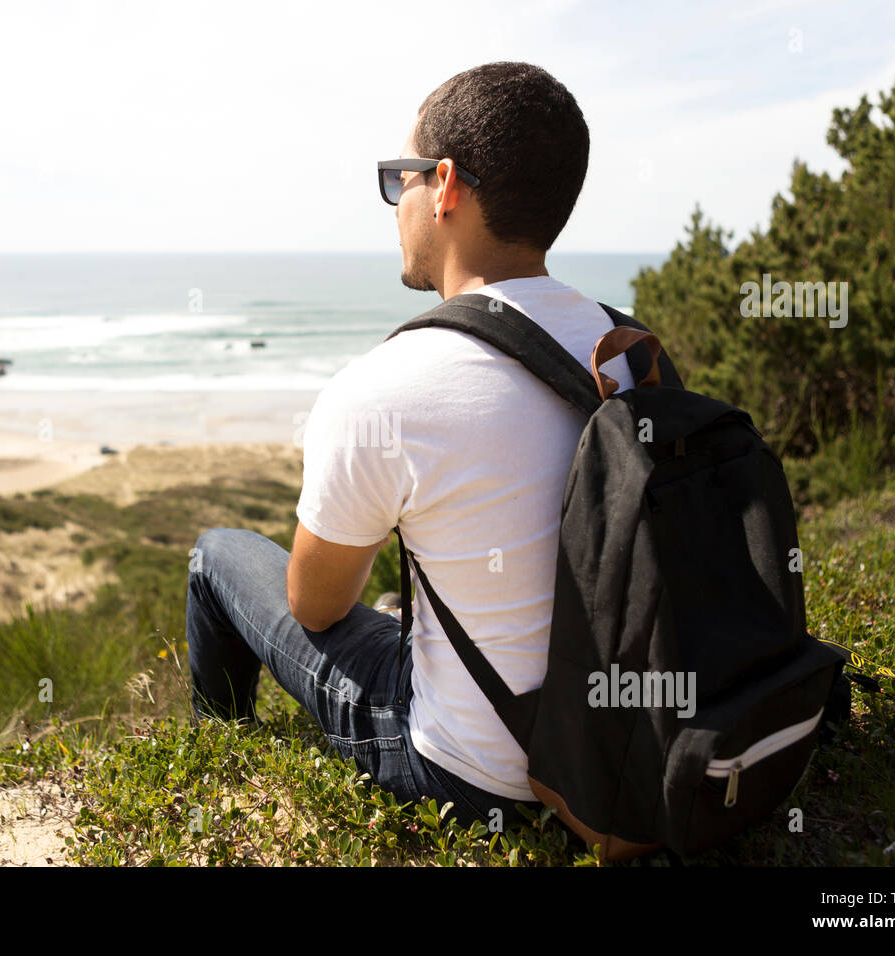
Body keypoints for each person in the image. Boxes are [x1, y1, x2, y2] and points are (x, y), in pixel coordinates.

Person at [186, 61, 637, 832]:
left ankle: (217, 763)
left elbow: (316, 607)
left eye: (403, 180)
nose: (398, 205)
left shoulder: (385, 389)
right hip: (626, 747)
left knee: (218, 553)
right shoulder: (626, 346)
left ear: (447, 186)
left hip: (477, 773)